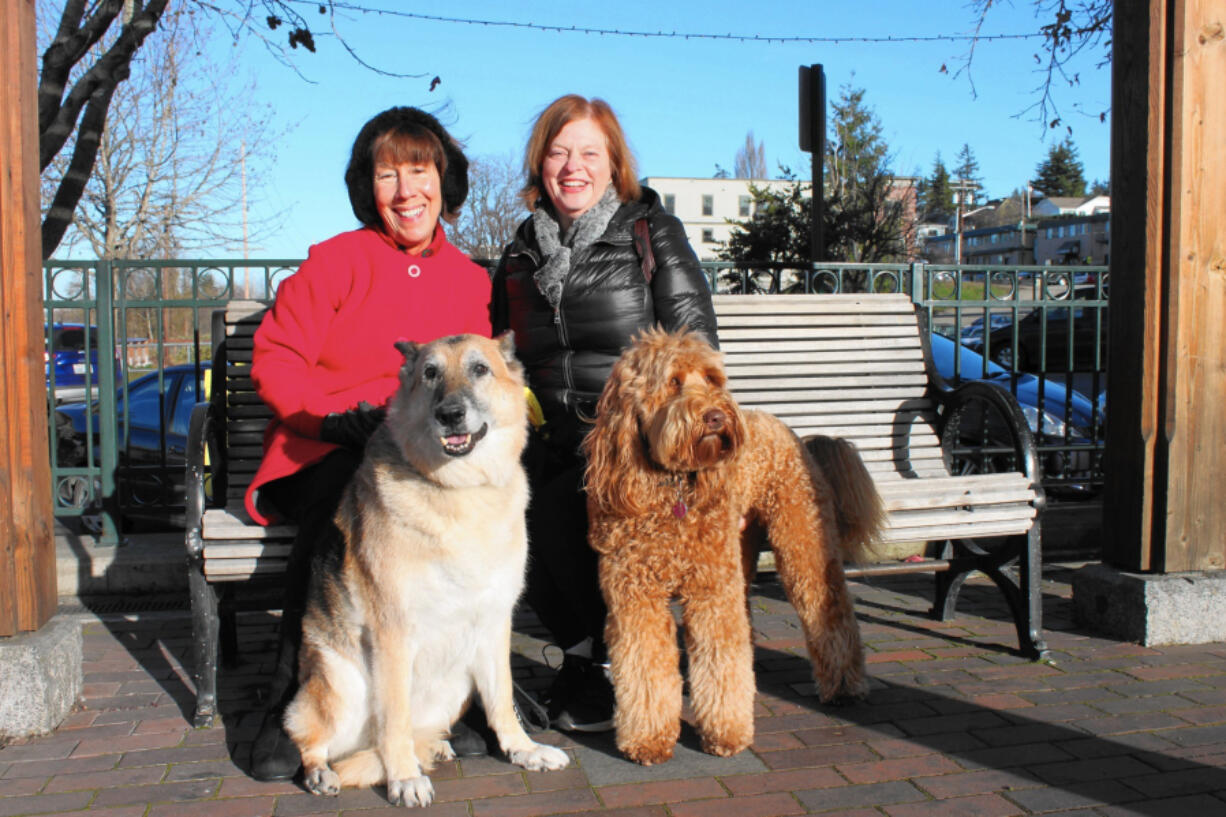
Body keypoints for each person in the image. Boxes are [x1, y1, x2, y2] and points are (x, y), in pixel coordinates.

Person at [246, 107, 493, 781]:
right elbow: (276, 359)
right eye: (388, 174)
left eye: (420, 170)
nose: (406, 190)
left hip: (420, 462)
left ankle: (458, 704)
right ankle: (282, 707)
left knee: (472, 522)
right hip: (324, 449)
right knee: (343, 507)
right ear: (368, 186)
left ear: (445, 180)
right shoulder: (336, 262)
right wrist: (330, 419)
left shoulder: (472, 282)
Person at [489, 94, 718, 733]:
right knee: (503, 500)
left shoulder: (650, 232)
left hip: (635, 441)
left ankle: (610, 660)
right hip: (549, 434)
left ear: (613, 162)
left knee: (564, 500)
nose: (573, 167)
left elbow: (697, 347)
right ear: (540, 164)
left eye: (589, 153)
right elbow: (500, 354)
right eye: (559, 153)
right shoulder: (518, 254)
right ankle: (595, 655)